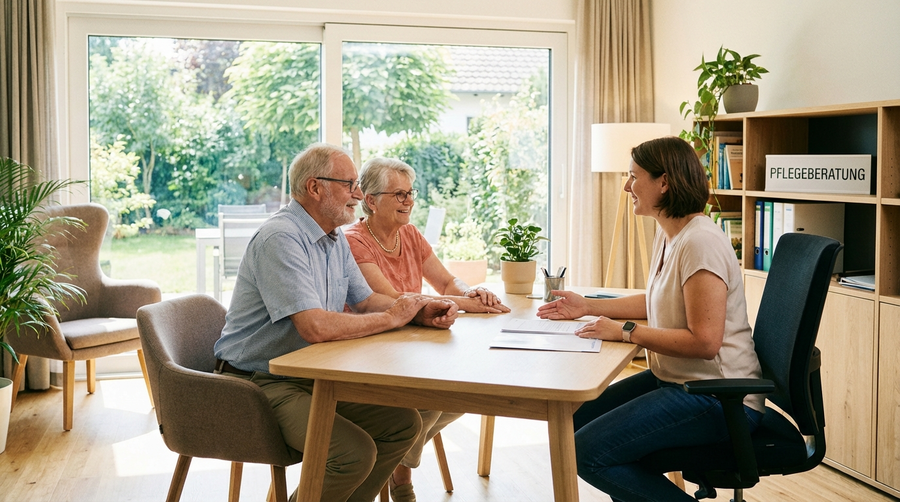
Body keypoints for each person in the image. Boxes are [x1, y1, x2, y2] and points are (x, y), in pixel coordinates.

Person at [213, 143, 459, 502]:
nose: (359, 195)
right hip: (258, 382)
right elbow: (313, 327)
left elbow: (366, 302)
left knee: (403, 425)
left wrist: (418, 312)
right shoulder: (282, 238)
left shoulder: (332, 238)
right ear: (315, 188)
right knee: (352, 453)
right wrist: (392, 317)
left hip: (310, 373)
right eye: (349, 184)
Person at [536, 136, 764, 502]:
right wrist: (589, 306)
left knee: (585, 451)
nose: (627, 186)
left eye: (633, 176)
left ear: (664, 182)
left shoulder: (699, 243)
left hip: (720, 399)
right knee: (572, 421)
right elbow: (659, 299)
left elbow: (705, 342)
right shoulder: (671, 232)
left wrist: (626, 333)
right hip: (679, 381)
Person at [343, 156, 509, 501]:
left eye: (410, 193)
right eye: (398, 195)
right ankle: (401, 479)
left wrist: (468, 292)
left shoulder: (410, 234)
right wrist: (466, 304)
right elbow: (391, 299)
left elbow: (446, 280)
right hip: (370, 346)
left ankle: (393, 466)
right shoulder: (354, 240)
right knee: (428, 399)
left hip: (411, 343)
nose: (409, 201)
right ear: (370, 201)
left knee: (464, 393)